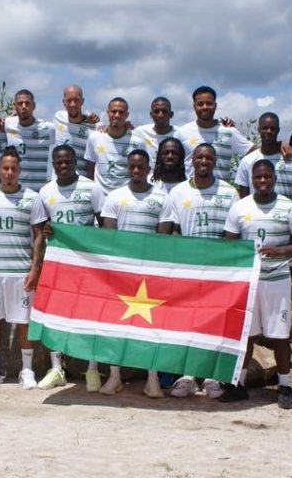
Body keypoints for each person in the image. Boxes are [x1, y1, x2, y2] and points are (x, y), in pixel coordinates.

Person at [222, 160, 292, 407]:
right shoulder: (240, 207)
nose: (262, 181)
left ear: (274, 178)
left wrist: (281, 251)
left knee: (280, 335)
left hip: (278, 280)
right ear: (252, 179)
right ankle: (238, 385)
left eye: (267, 177)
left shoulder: (288, 206)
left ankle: (284, 386)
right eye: (258, 177)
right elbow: (229, 243)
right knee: (246, 335)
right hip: (249, 282)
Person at [159, 143, 239, 398]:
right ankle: (188, 376)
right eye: (200, 157)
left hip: (220, 269)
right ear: (192, 161)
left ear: (215, 161)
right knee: (188, 322)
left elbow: (234, 232)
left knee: (216, 322)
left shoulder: (229, 192)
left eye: (209, 158)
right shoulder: (178, 192)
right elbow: (173, 231)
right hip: (189, 269)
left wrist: (221, 259)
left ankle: (212, 376)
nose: (204, 161)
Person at [0, 147, 49, 388]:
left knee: (24, 322)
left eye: (13, 168)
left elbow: (39, 236)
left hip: (20, 272)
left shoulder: (32, 198)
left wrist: (35, 269)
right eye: (5, 168)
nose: (9, 172)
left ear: (19, 171)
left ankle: (27, 370)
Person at [99, 149, 169, 397]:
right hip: (121, 273)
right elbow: (109, 236)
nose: (136, 170)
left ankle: (152, 379)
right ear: (127, 168)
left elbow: (163, 238)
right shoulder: (115, 197)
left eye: (141, 166)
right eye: (132, 166)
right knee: (116, 325)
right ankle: (114, 376)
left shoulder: (162, 198)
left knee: (151, 326)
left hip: (150, 274)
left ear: (149, 169)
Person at [37, 145, 97, 390]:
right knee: (56, 315)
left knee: (91, 315)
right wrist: (47, 230)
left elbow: (104, 225)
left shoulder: (91, 187)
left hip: (87, 264)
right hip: (58, 263)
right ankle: (56, 368)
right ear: (53, 164)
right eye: (59, 162)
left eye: (68, 161)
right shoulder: (45, 191)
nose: (63, 165)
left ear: (75, 162)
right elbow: (41, 228)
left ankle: (93, 369)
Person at [176, 86, 254, 184]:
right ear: (194, 106)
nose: (205, 107)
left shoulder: (229, 132)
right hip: (190, 191)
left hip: (222, 191)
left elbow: (256, 152)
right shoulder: (182, 132)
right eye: (200, 104)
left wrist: (243, 178)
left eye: (209, 103)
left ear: (215, 105)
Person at [235, 112, 292, 200]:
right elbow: (243, 195)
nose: (269, 131)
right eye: (265, 128)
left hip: (286, 208)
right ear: (259, 130)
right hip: (256, 209)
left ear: (278, 130)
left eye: (272, 128)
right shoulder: (247, 161)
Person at [86, 97, 136, 217]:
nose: (117, 115)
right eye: (114, 111)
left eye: (121, 112)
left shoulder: (137, 140)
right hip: (101, 201)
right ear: (108, 112)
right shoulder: (95, 137)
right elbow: (90, 168)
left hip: (126, 199)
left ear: (127, 115)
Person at [5, 90, 55, 192]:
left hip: (41, 191)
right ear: (14, 106)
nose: (24, 106)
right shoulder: (8, 124)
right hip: (17, 192)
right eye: (20, 103)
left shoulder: (49, 128)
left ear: (34, 106)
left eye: (27, 103)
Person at [54, 84, 99, 174]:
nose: (73, 104)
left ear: (82, 101)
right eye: (69, 100)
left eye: (76, 100)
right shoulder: (58, 117)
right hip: (58, 179)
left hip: (82, 179)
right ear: (64, 102)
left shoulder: (94, 127)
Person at [132, 96, 176, 167]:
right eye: (156, 111)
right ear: (151, 114)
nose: (160, 115)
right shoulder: (140, 132)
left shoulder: (180, 134)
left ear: (171, 114)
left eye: (164, 111)